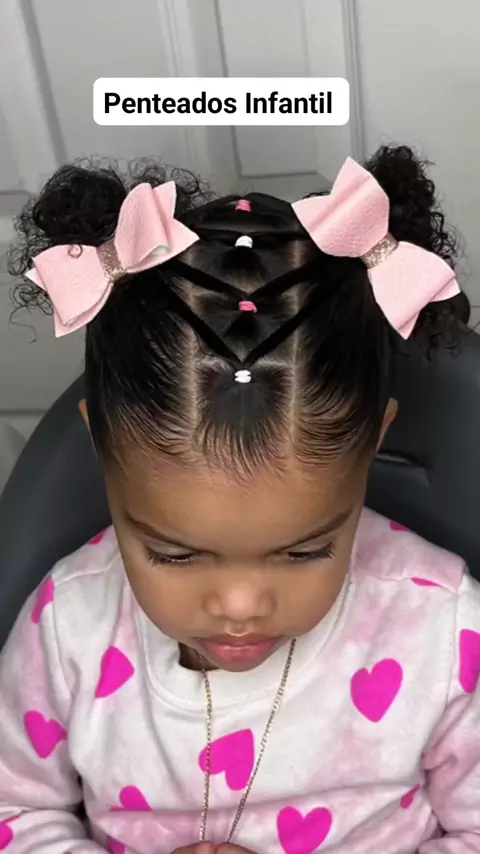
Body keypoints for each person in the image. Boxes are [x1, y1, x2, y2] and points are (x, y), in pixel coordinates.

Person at [0, 144, 478, 854]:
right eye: (175, 554)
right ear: (98, 444)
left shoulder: (441, 628)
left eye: (304, 551)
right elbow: (15, 810)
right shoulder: (68, 626)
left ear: (372, 444)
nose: (241, 605)